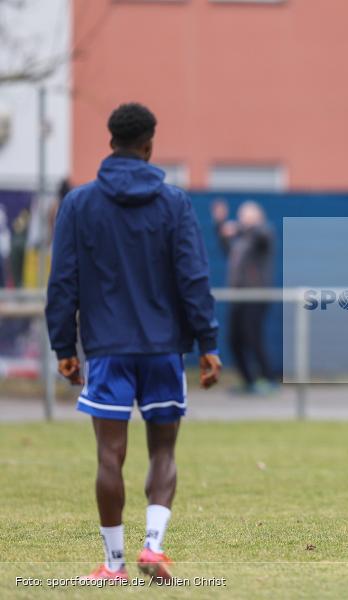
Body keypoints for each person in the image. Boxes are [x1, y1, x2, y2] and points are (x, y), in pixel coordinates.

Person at [45, 102, 221, 581]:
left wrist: (64, 348)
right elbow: (193, 277)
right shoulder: (175, 203)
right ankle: (154, 547)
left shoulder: (78, 204)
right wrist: (208, 341)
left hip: (106, 351)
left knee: (109, 456)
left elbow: (62, 281)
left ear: (110, 144)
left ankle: (114, 563)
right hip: (164, 349)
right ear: (149, 146)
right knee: (163, 452)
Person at [211, 199, 277, 393]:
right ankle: (249, 382)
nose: (242, 219)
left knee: (253, 337)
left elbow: (261, 235)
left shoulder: (264, 233)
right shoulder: (241, 242)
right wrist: (220, 224)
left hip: (256, 296)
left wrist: (239, 227)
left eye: (247, 216)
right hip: (238, 297)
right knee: (234, 339)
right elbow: (227, 245)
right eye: (241, 216)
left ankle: (268, 379)